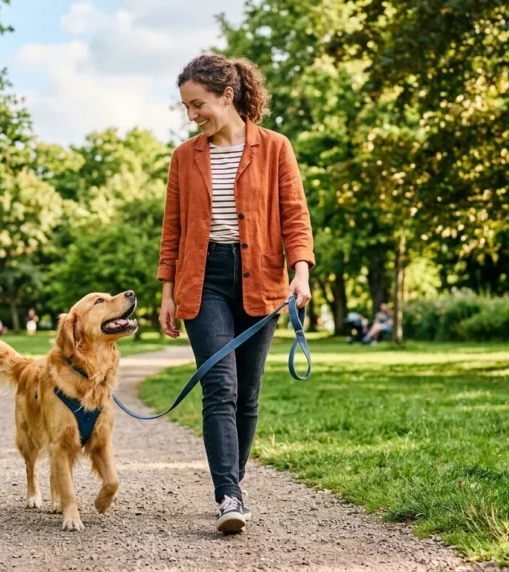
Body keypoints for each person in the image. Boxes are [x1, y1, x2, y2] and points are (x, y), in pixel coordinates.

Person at [157, 54, 314, 534]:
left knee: (247, 394)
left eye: (197, 104)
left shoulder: (275, 147)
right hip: (202, 279)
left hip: (260, 279)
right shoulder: (185, 156)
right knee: (219, 387)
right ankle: (229, 494)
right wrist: (167, 290)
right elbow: (173, 228)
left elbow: (295, 216)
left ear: (228, 96)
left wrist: (301, 272)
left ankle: (233, 481)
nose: (192, 116)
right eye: (185, 107)